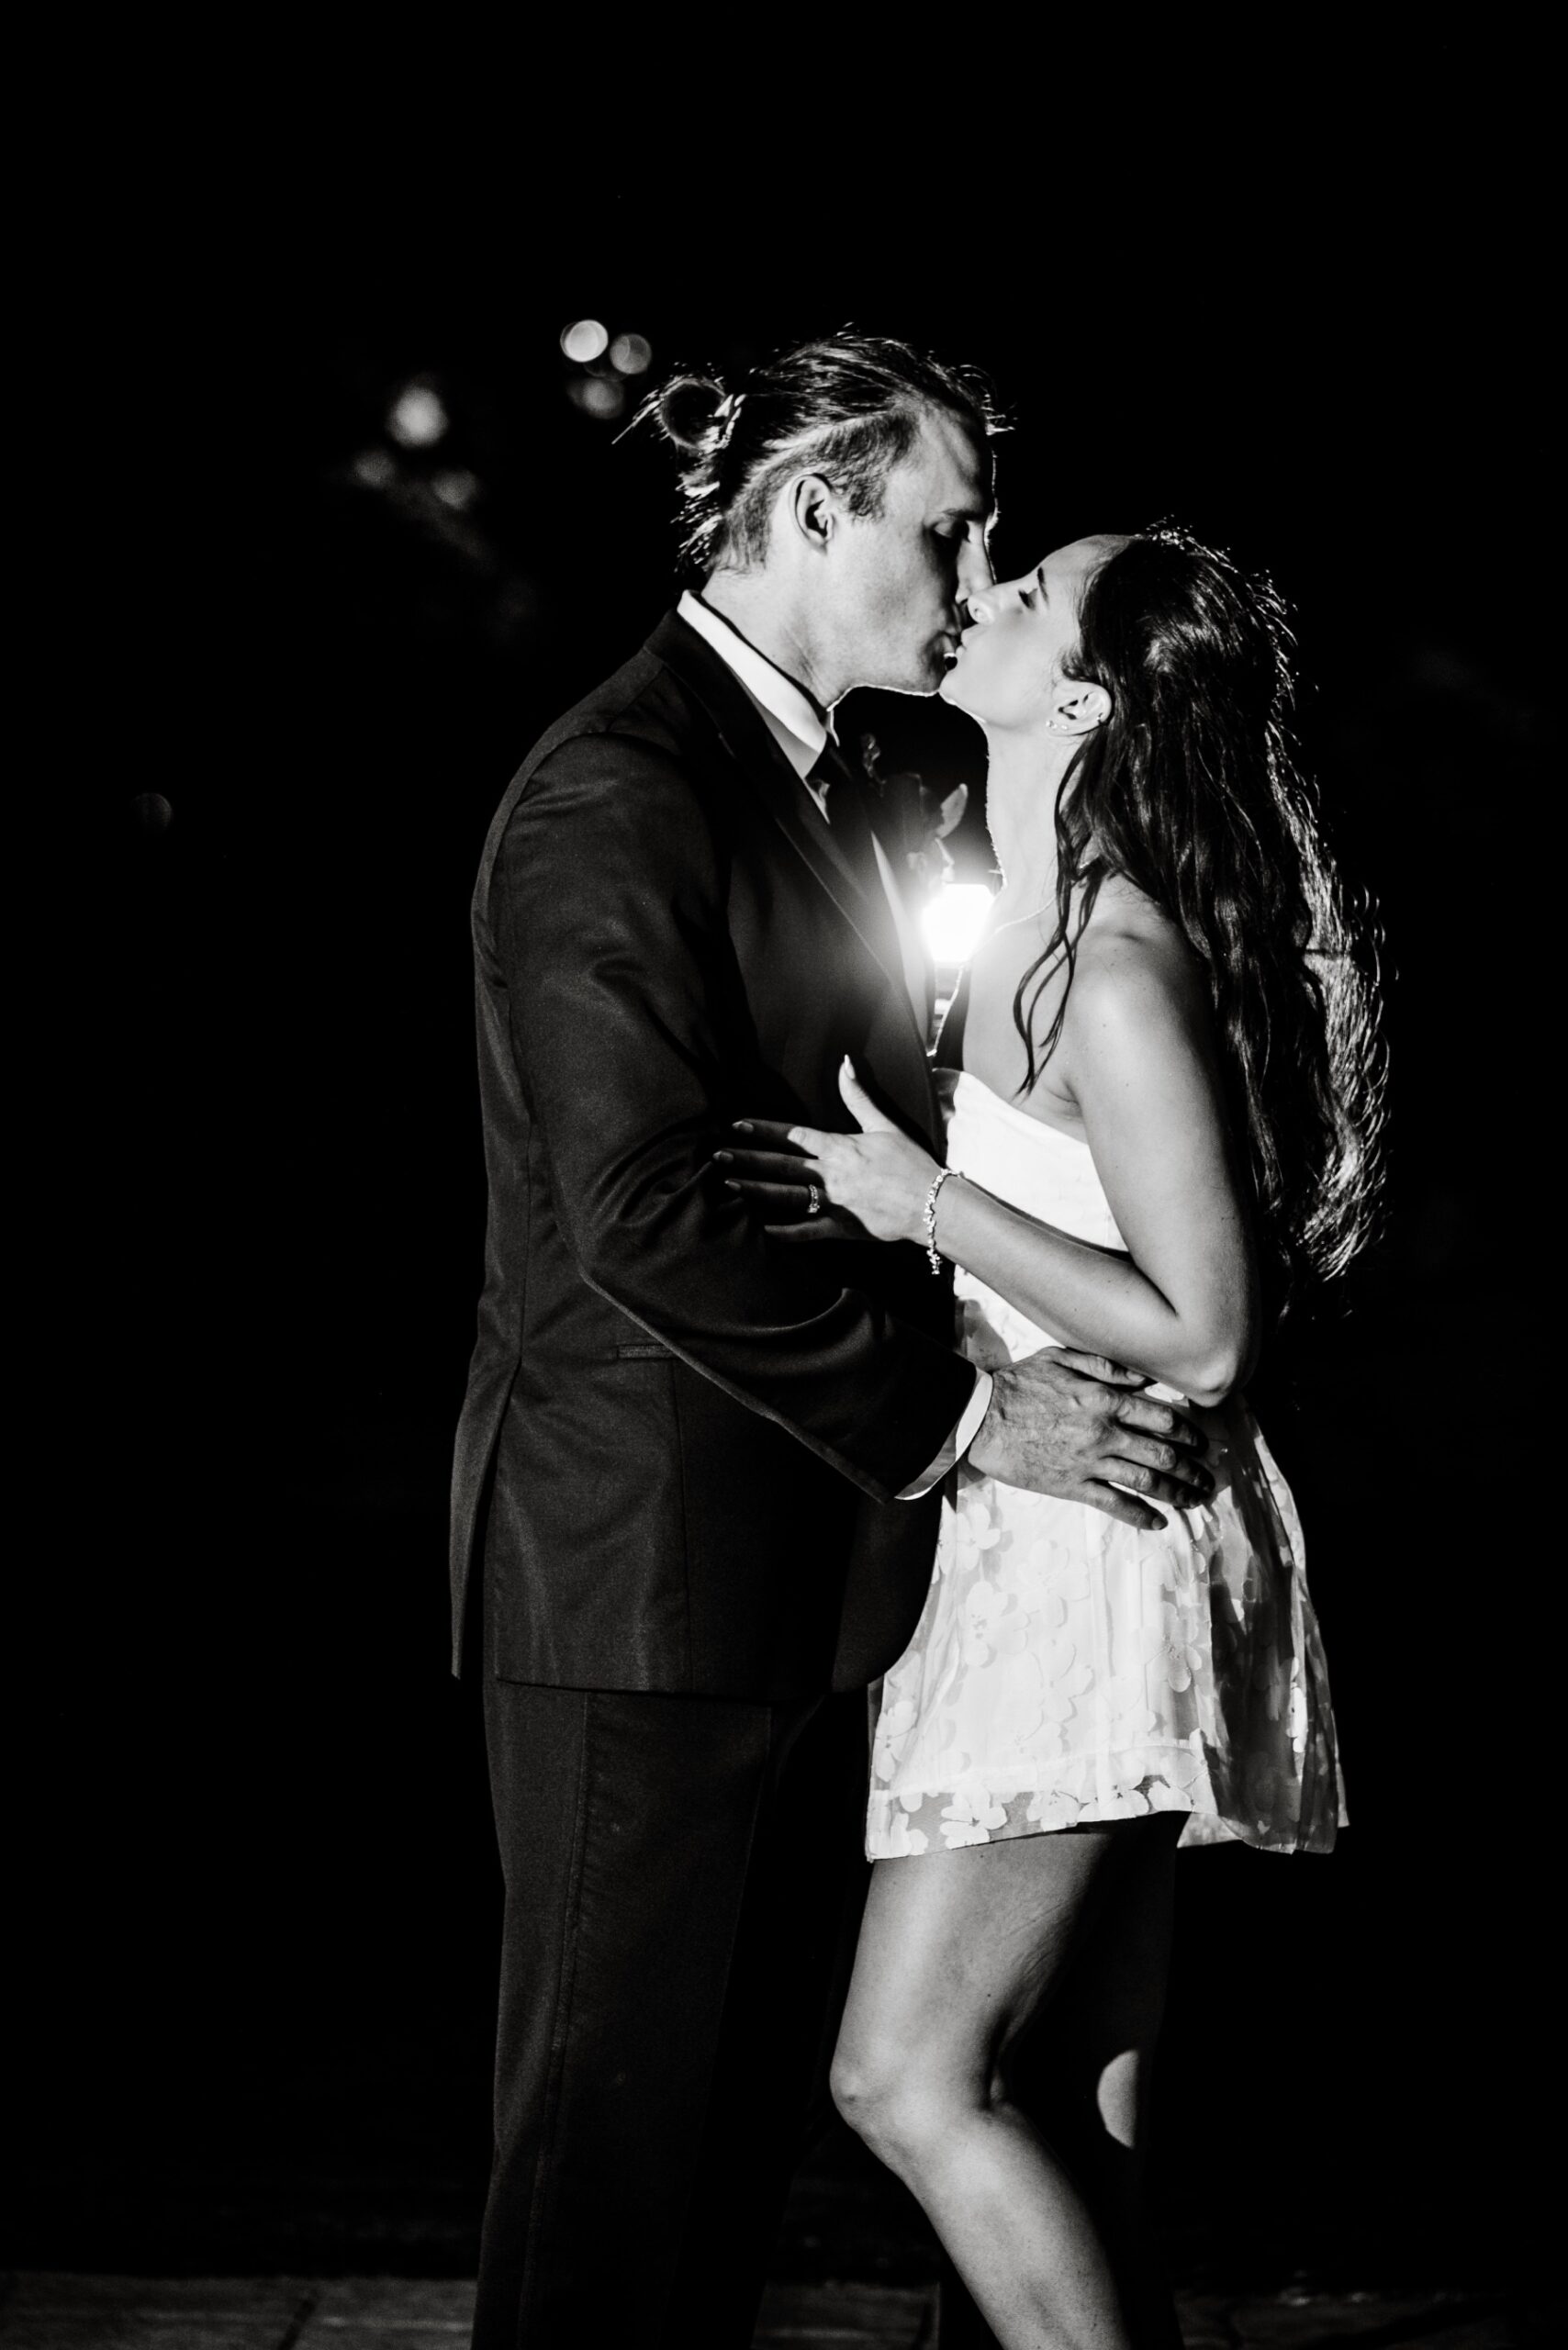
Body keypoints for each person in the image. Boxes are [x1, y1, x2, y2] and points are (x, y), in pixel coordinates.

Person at [447, 342, 1218, 2349]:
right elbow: (638, 1211)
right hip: (645, 1586)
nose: (972, 572)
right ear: (811, 512)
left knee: (714, 2170)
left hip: (810, 1578)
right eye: (944, 523)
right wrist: (972, 1417)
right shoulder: (614, 791)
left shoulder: (860, 772)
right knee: (608, 2181)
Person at [725, 525, 1385, 2348]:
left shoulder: (1103, 958)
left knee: (904, 2077)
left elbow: (1207, 1319)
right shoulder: (1009, 901)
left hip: (1102, 1532)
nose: (985, 587)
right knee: (1077, 2113)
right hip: (1049, 1515)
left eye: (1029, 595)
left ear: (1082, 695)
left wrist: (920, 1196)